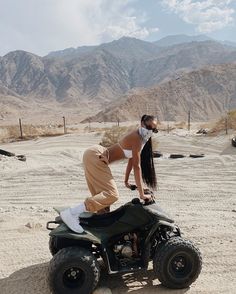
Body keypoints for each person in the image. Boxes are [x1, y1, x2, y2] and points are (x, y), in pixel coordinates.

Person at [60, 114, 158, 233]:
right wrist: (142, 194)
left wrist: (126, 181)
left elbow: (131, 162)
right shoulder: (137, 138)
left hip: (94, 155)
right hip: (96, 156)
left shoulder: (141, 140)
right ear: (142, 123)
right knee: (112, 194)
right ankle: (71, 213)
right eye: (149, 127)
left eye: (154, 129)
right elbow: (137, 167)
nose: (150, 131)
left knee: (103, 206)